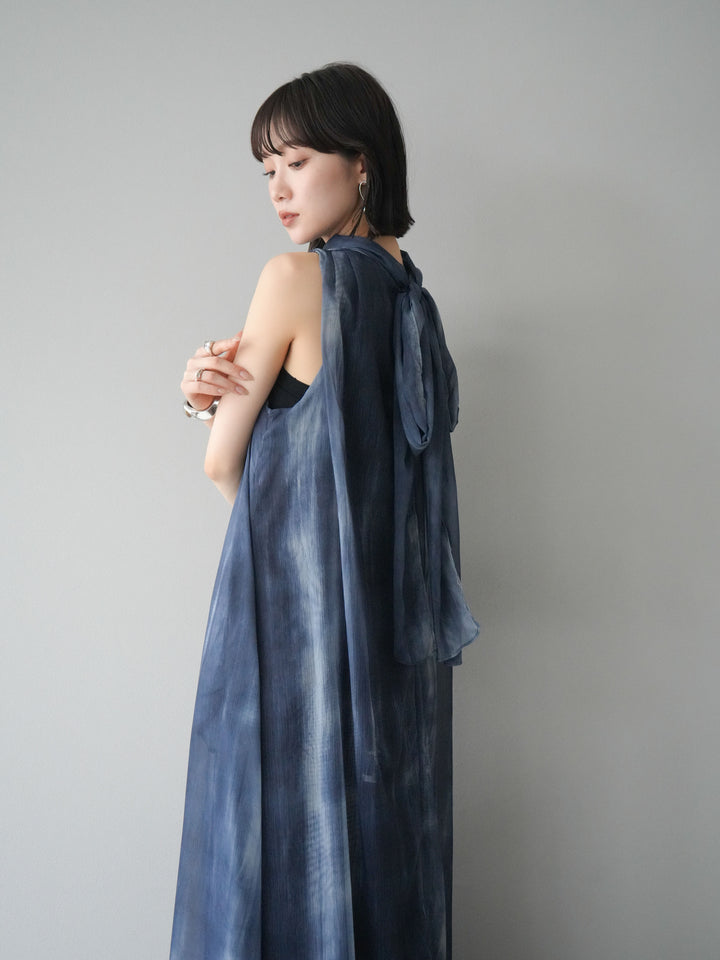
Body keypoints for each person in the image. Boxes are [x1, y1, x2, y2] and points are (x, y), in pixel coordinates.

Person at [171, 63, 478, 960]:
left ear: (362, 162)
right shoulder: (418, 306)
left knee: (269, 854)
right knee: (386, 855)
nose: (278, 189)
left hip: (291, 635)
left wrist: (199, 406)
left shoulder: (292, 279)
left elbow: (226, 466)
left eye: (297, 163)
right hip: (394, 650)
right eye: (268, 170)